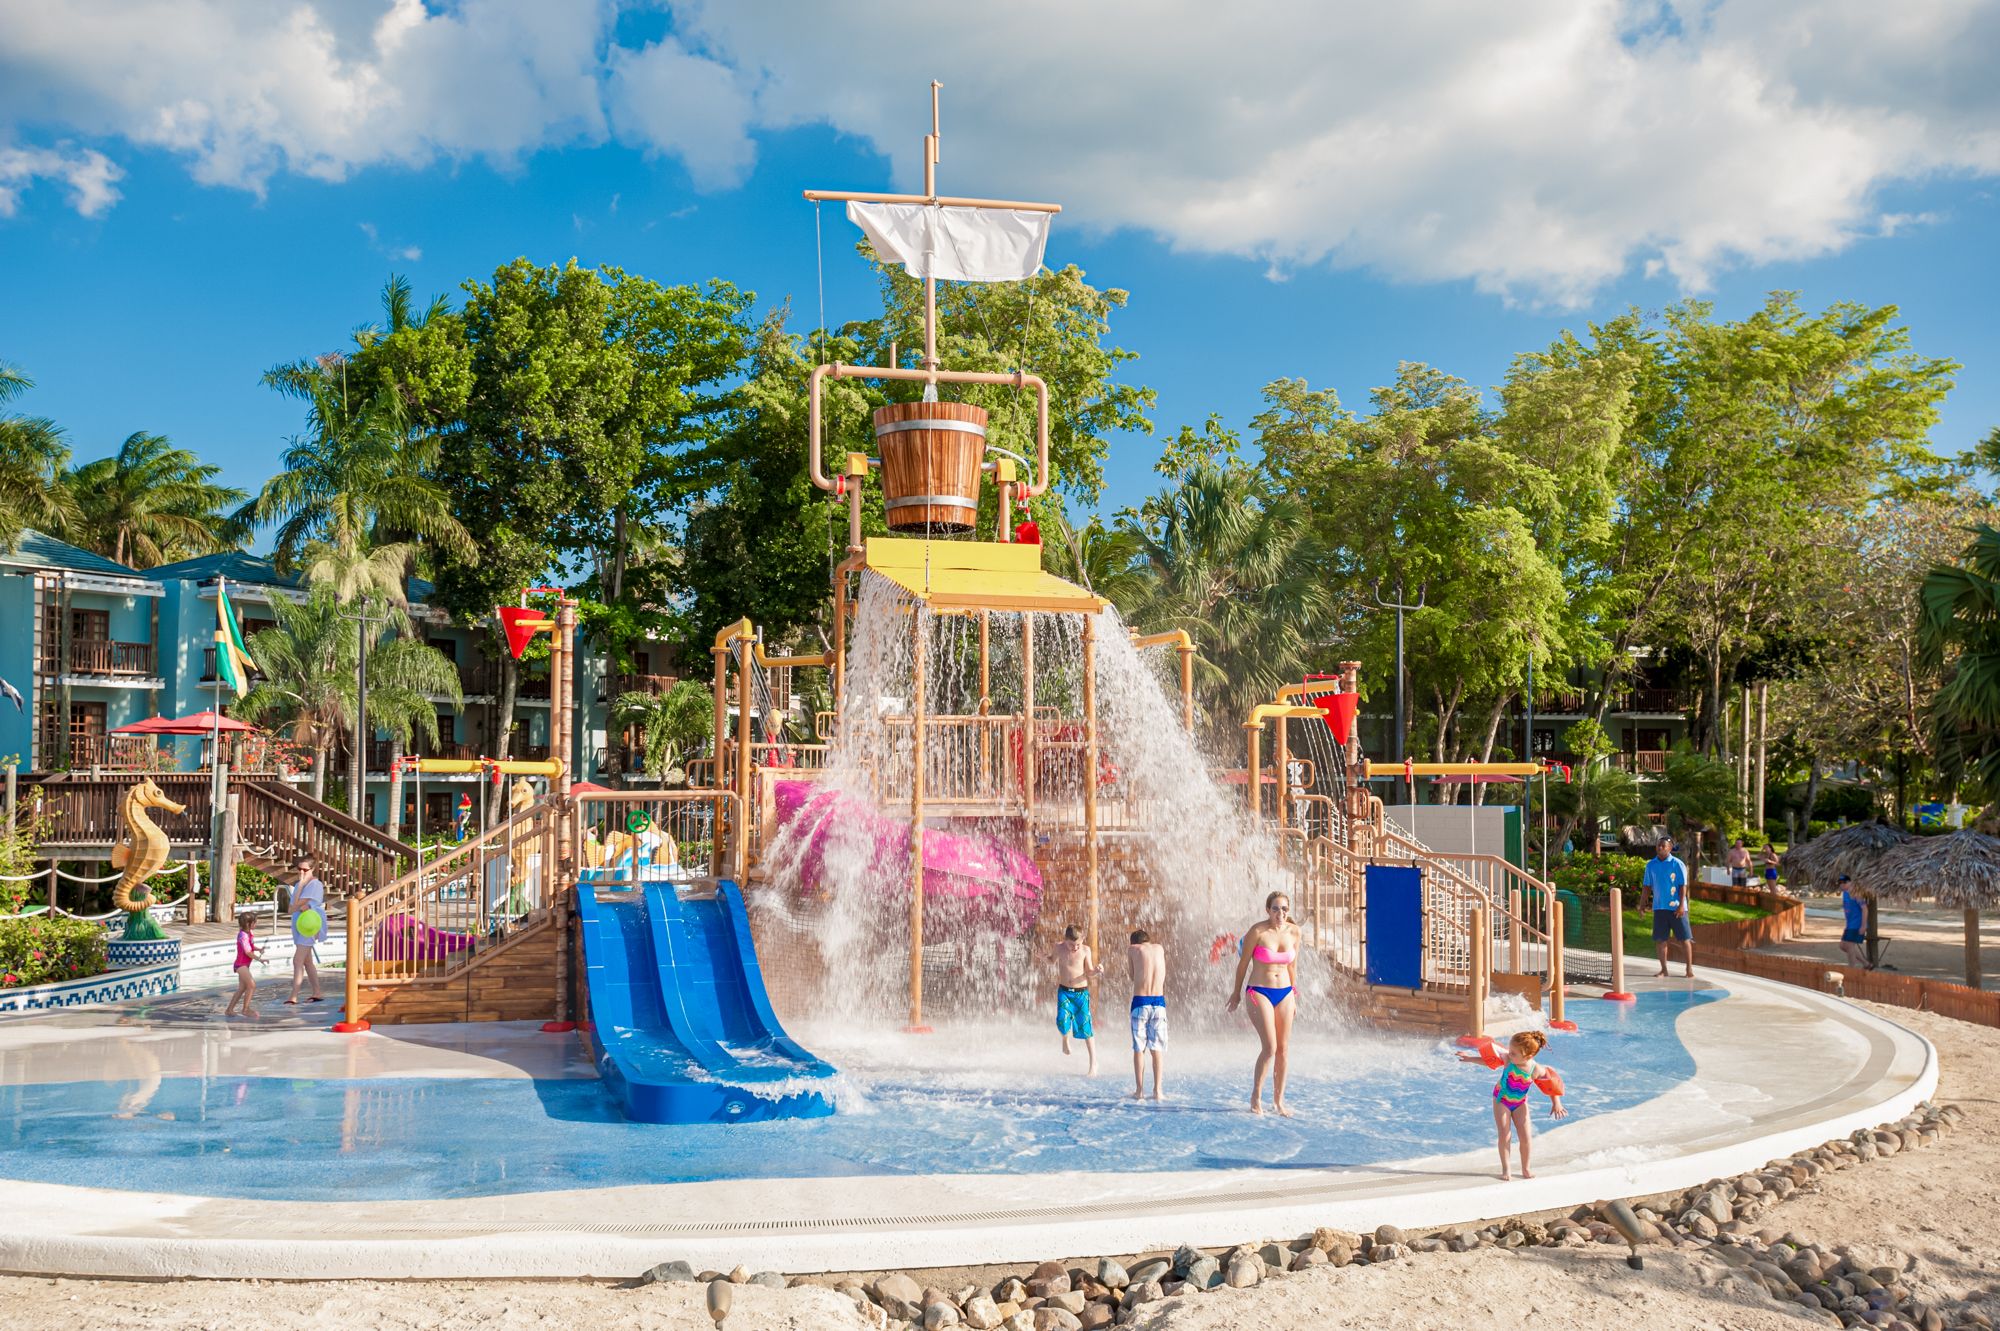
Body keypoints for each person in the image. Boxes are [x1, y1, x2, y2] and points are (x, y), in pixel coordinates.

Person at [1225, 890, 1301, 1116]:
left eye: (1285, 909)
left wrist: (1294, 995)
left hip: (1285, 992)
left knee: (1284, 1050)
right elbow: (1243, 965)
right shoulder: (1257, 931)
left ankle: (1278, 1101)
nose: (1281, 913)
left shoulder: (1295, 933)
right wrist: (1236, 993)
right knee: (1270, 1047)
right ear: (1268, 910)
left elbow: (1292, 967)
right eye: (1276, 908)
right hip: (1259, 991)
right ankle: (1256, 1097)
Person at [1459, 1029, 1566, 1179]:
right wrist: (1470, 1059)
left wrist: (1557, 1103)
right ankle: (1506, 1169)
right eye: (1510, 1050)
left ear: (1528, 1056)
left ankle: (1526, 1169)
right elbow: (1489, 1062)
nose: (1509, 1053)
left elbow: (1551, 1084)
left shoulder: (1536, 1069)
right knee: (1505, 1134)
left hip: (1520, 1103)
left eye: (1514, 1053)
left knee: (1526, 1137)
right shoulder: (1508, 1059)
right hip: (1501, 1100)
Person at [1052, 924, 1103, 1075]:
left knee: (1086, 1028)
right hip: (1064, 992)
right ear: (1065, 940)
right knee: (1062, 1019)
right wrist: (1044, 958)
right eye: (1071, 944)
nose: (1074, 948)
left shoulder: (1085, 950)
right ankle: (1065, 1040)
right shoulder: (1059, 948)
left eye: (1077, 944)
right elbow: (1051, 960)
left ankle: (1094, 1063)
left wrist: (1096, 971)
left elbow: (1089, 972)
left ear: (1083, 940)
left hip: (1081, 993)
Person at [1127, 929, 1168, 1101]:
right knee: (1156, 1049)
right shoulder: (1159, 948)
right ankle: (1158, 1091)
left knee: (1139, 1049)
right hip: (1159, 1003)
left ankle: (1139, 1091)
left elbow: (1132, 976)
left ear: (1134, 942)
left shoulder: (1133, 949)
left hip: (1140, 1002)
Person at [1645, 836, 1694, 978]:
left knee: (1685, 939)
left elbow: (1682, 886)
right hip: (1659, 907)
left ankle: (1689, 969)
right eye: (1658, 845)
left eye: (1663, 845)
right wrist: (1642, 904)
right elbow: (1647, 886)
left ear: (1670, 848)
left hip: (1677, 909)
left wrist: (1680, 906)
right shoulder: (1651, 865)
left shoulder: (1678, 864)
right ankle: (1664, 970)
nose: (1660, 847)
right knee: (1660, 940)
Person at [286, 856, 326, 1005]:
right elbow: (292, 909)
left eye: (305, 870)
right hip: (298, 925)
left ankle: (293, 996)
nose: (301, 872)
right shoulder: (298, 885)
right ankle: (317, 992)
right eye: (299, 869)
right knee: (307, 962)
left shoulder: (315, 885)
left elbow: (299, 905)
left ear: (313, 869)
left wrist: (302, 885)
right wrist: (301, 885)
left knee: (297, 960)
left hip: (309, 927)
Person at [224, 911, 265, 1019]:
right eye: (254, 922)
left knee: (242, 988)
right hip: (240, 965)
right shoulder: (243, 936)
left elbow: (250, 947)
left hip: (244, 965)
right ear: (249, 924)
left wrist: (258, 949)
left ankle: (229, 1010)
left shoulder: (248, 934)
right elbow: (247, 952)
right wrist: (259, 959)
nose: (256, 924)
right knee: (251, 985)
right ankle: (245, 1009)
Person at [1838, 874, 1873, 970]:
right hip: (1849, 925)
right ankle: (1866, 964)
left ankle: (1852, 969)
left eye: (1844, 882)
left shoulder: (1856, 894)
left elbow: (1865, 909)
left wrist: (1863, 925)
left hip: (1857, 924)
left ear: (1850, 882)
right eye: (1840, 882)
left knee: (1849, 946)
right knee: (1842, 946)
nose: (1842, 884)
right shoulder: (1845, 893)